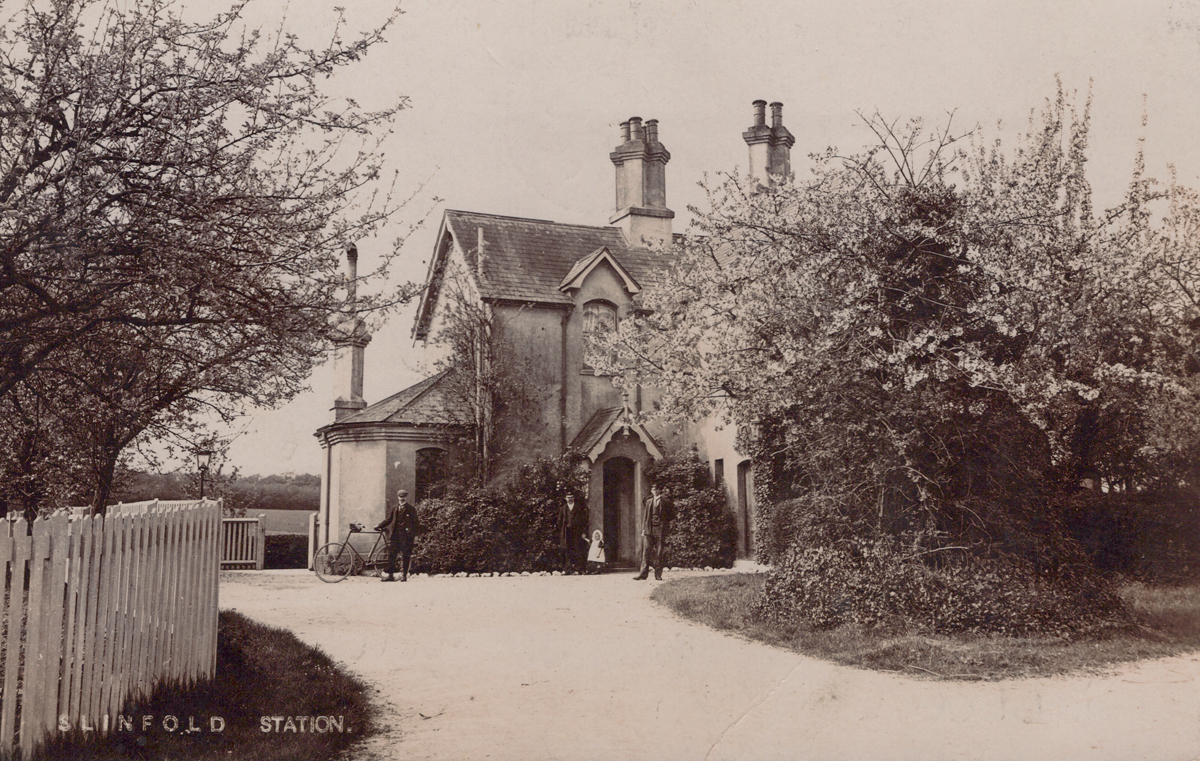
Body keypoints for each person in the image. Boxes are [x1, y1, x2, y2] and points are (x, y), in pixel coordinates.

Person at [375, 488, 423, 582]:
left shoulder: (411, 509)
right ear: (397, 497)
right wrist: (379, 525)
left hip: (406, 537)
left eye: (403, 497)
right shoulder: (394, 508)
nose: (402, 498)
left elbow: (416, 523)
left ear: (406, 497)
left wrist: (414, 536)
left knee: (405, 555)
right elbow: (388, 520)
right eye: (400, 497)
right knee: (391, 555)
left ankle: (404, 576)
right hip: (395, 536)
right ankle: (390, 576)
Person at [634, 484, 671, 581]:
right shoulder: (648, 502)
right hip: (649, 530)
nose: (654, 491)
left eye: (656, 489)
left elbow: (671, 515)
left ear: (659, 490)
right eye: (652, 489)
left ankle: (658, 575)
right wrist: (643, 529)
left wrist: (663, 523)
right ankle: (642, 574)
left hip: (660, 530)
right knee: (646, 552)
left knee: (659, 552)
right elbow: (646, 517)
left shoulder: (666, 502)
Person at [558, 493, 588, 574]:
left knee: (577, 549)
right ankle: (568, 569)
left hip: (577, 532)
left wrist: (583, 532)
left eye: (571, 497)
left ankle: (578, 569)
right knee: (567, 550)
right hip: (566, 533)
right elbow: (559, 522)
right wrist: (562, 533)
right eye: (568, 497)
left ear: (574, 498)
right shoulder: (563, 509)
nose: (570, 499)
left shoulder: (579, 508)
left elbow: (584, 521)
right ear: (565, 498)